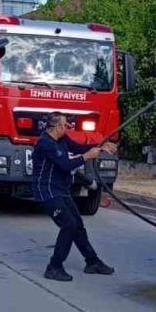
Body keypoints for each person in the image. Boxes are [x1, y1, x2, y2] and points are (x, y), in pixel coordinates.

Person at [31, 112, 117, 282]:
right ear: (57, 127)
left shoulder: (62, 140)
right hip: (48, 192)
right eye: (65, 125)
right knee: (68, 225)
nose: (68, 127)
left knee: (77, 225)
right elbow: (66, 165)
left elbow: (77, 148)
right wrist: (87, 157)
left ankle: (92, 262)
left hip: (61, 189)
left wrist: (100, 147)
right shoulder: (46, 144)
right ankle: (54, 267)